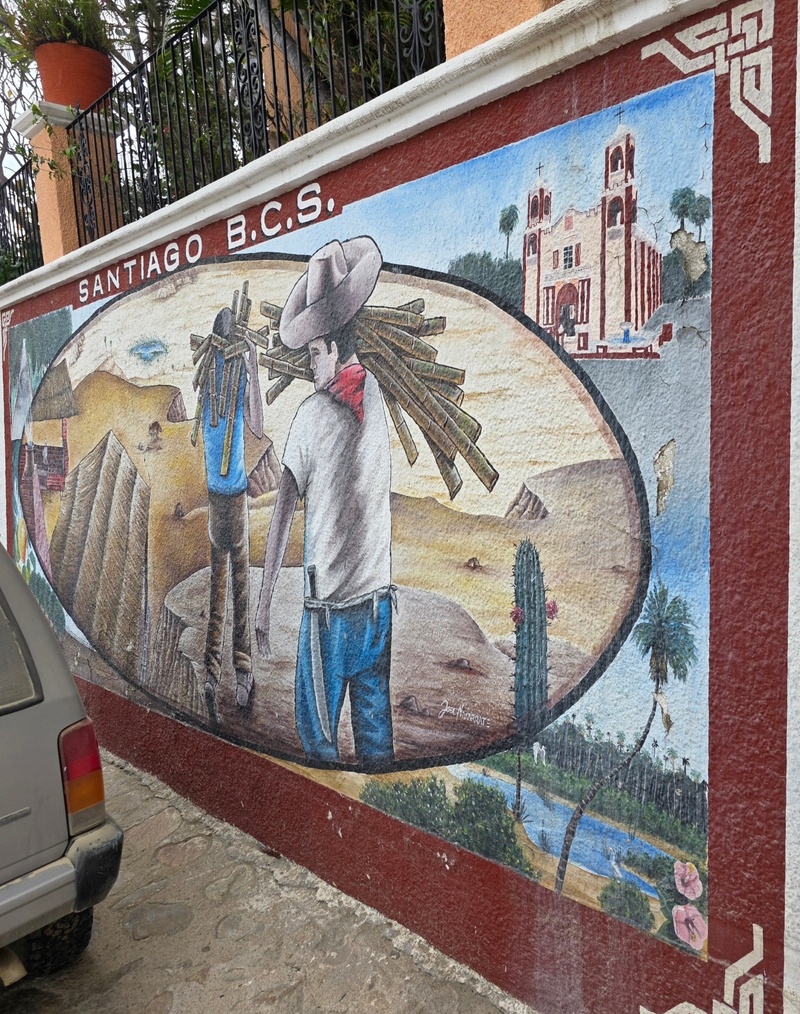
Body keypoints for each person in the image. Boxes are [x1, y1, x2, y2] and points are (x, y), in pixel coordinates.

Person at [255, 237, 394, 766]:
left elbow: (281, 515)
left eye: (314, 353)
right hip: (378, 606)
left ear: (334, 346)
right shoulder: (376, 397)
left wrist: (265, 603)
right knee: (376, 741)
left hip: (330, 616)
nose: (310, 366)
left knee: (316, 741)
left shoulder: (311, 416)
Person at [201, 306, 263, 721]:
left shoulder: (207, 376)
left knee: (218, 587)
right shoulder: (234, 376)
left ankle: (212, 672)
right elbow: (257, 425)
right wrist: (253, 369)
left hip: (215, 494)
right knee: (238, 586)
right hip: (233, 495)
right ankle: (242, 672)